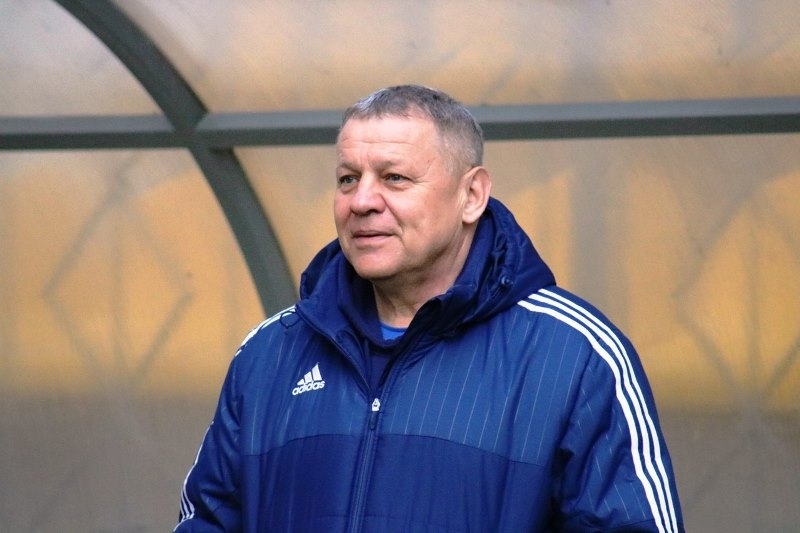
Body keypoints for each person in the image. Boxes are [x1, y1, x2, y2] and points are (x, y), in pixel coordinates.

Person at [175, 85, 684, 532]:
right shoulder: (270, 353)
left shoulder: (573, 356)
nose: (362, 201)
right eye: (348, 178)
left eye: (394, 178)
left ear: (472, 195)